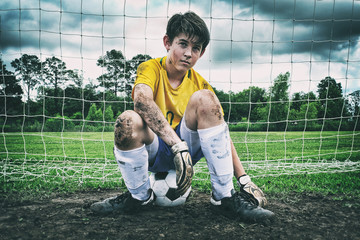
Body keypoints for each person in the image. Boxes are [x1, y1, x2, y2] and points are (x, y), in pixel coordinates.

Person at [91, 11, 274, 223]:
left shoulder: (201, 84)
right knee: (127, 120)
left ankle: (224, 197)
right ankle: (138, 198)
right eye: (183, 44)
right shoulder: (150, 68)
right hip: (157, 147)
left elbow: (222, 135)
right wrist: (177, 145)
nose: (188, 53)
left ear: (202, 53)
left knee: (206, 99)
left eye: (195, 48)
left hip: (188, 150)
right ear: (167, 42)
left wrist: (243, 178)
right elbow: (141, 101)